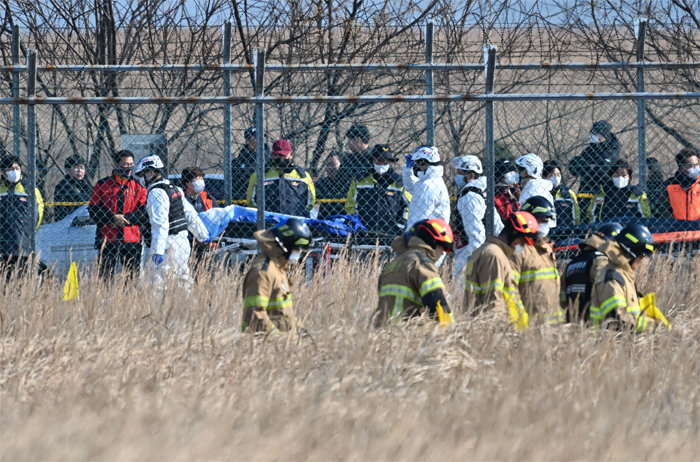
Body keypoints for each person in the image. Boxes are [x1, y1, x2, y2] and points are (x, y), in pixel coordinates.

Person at [133, 155, 209, 290]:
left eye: (143, 173)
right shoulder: (175, 188)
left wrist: (157, 250)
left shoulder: (156, 192)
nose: (141, 178)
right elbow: (191, 215)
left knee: (157, 286)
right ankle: (191, 310)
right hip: (183, 243)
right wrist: (203, 236)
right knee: (183, 283)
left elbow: (160, 224)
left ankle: (157, 311)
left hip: (167, 246)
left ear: (151, 172)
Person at [373, 218, 455, 327]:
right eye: (442, 246)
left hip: (379, 333)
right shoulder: (422, 265)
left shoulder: (392, 265)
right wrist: (453, 333)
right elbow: (438, 304)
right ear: (432, 242)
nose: (442, 253)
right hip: (406, 335)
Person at [463, 211, 539, 329]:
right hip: (496, 331)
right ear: (514, 232)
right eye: (523, 242)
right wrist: (499, 336)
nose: (523, 247)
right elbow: (493, 302)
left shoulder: (492, 252)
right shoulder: (494, 255)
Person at [241, 218, 312, 335]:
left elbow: (285, 314)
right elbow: (255, 314)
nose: (299, 253)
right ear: (285, 245)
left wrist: (303, 336)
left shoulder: (278, 270)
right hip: (265, 347)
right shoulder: (263, 272)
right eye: (297, 249)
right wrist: (280, 341)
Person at [89, 150, 148, 280]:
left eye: (131, 164)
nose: (129, 167)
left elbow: (144, 212)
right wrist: (112, 218)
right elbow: (93, 209)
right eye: (125, 164)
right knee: (105, 277)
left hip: (131, 239)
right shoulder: (102, 185)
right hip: (108, 238)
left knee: (131, 277)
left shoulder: (139, 187)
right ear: (116, 164)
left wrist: (126, 219)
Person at [589, 223, 658, 332]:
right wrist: (652, 325)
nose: (640, 263)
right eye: (641, 258)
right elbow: (617, 318)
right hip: (608, 342)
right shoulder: (613, 276)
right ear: (632, 254)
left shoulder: (622, 274)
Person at [512, 196, 564, 325]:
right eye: (541, 220)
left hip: (553, 323)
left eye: (546, 221)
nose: (544, 225)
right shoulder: (518, 250)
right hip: (530, 323)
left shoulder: (546, 249)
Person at [451, 155, 504, 277]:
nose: (457, 175)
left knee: (462, 289)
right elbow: (497, 226)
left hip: (470, 252)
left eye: (460, 172)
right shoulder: (482, 192)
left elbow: (476, 235)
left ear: (470, 175)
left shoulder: (469, 196)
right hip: (482, 248)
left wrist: (472, 263)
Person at [561, 222, 622, 322]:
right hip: (596, 326)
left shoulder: (572, 264)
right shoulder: (601, 261)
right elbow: (611, 295)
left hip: (572, 326)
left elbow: (562, 300)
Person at [345, 144, 411, 237]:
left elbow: (408, 206)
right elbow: (350, 205)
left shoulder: (399, 182)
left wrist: (400, 226)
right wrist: (356, 224)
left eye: (385, 161)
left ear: (390, 162)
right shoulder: (359, 180)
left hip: (391, 233)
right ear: (372, 160)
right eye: (378, 160)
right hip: (363, 232)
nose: (381, 164)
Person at [0, 155, 45, 279]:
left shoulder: (30, 189)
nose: (14, 172)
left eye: (17, 168)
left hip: (23, 243)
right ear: (2, 172)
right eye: (10, 169)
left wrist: (29, 232)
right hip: (2, 244)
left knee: (22, 278)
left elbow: (39, 213)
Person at [246, 139, 316, 217]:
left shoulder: (303, 175)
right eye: (276, 155)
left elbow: (311, 201)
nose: (279, 158)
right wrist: (265, 215)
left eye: (283, 155)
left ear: (291, 154)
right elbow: (251, 201)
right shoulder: (260, 175)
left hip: (296, 221)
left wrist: (298, 213)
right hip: (268, 221)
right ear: (272, 155)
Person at [569, 120, 621, 222]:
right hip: (585, 193)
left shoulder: (612, 151)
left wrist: (586, 166)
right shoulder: (591, 149)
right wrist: (591, 166)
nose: (593, 136)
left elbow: (601, 171)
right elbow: (573, 167)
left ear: (603, 135)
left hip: (601, 194)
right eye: (592, 133)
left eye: (596, 133)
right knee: (583, 219)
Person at [402, 145, 450, 229]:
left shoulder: (429, 185)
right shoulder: (430, 181)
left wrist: (410, 235)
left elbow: (419, 217)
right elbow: (411, 187)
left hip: (428, 234)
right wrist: (408, 170)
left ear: (424, 163)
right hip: (431, 232)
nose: (415, 166)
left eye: (417, 163)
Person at [231, 126, 270, 202]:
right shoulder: (241, 157)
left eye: (263, 138)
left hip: (260, 198)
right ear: (248, 140)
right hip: (240, 197)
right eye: (257, 138)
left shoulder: (268, 158)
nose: (261, 141)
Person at [662, 148, 700, 220]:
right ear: (682, 168)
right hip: (676, 228)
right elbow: (664, 209)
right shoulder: (669, 185)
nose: (696, 168)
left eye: (697, 164)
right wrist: (674, 224)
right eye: (691, 165)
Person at [336, 124, 373, 194]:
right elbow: (338, 181)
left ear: (358, 139)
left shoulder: (374, 159)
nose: (347, 144)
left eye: (349, 140)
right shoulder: (348, 159)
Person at [53, 155, 92, 221]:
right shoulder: (64, 185)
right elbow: (81, 200)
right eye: (75, 167)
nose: (79, 170)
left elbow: (96, 194)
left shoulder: (84, 184)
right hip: (66, 222)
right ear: (67, 169)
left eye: (82, 167)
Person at [543, 160, 580, 227]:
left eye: (558, 174)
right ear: (544, 176)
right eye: (553, 175)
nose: (556, 178)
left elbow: (577, 215)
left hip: (565, 232)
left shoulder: (568, 193)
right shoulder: (539, 191)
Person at [314, 153, 346, 218]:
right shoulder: (321, 182)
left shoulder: (346, 182)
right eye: (328, 165)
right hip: (324, 219)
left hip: (343, 219)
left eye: (333, 164)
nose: (330, 168)